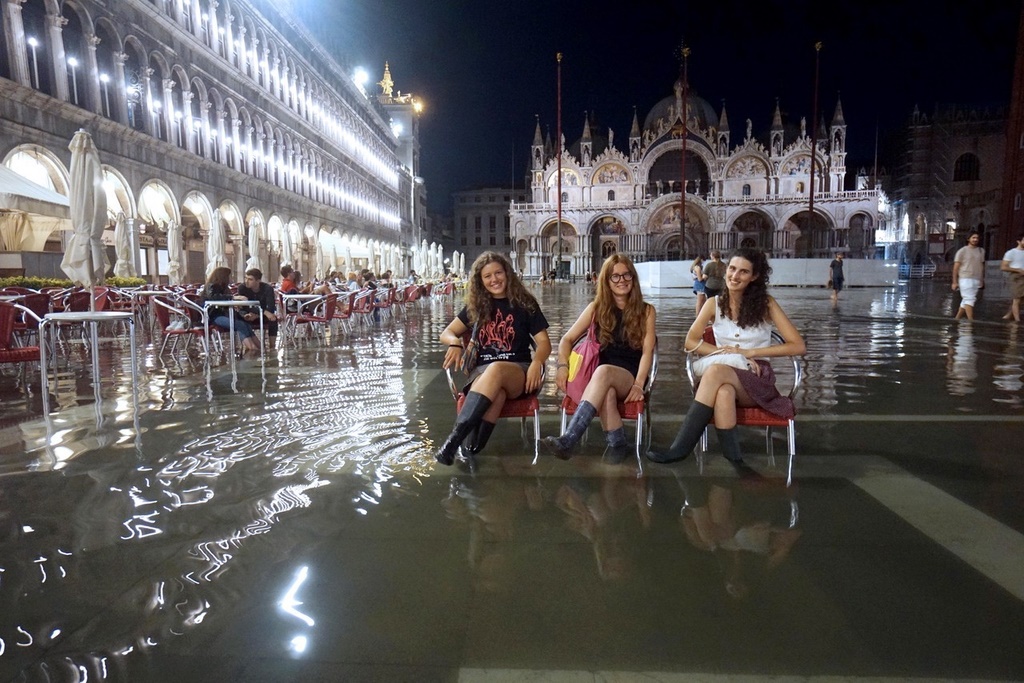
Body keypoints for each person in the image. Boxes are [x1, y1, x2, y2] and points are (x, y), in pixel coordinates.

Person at [647, 248, 805, 470]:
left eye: (743, 271)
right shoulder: (713, 304)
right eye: (732, 268)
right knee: (723, 392)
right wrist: (726, 354)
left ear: (754, 276)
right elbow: (690, 342)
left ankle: (680, 449)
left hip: (757, 377)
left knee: (715, 372)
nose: (734, 276)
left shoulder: (767, 304)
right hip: (725, 373)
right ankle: (736, 462)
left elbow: (798, 346)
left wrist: (750, 353)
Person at [436, 252, 552, 466]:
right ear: (480, 281)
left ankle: (452, 442)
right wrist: (454, 343)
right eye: (487, 276)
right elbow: (447, 332)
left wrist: (537, 362)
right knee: (496, 393)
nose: (494, 279)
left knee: (496, 369)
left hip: (518, 372)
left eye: (498, 273)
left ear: (507, 274)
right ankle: (470, 450)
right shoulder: (476, 307)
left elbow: (544, 342)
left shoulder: (525, 304)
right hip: (482, 374)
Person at [541, 255, 656, 462]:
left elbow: (648, 352)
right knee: (607, 392)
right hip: (599, 379)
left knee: (604, 372)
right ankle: (618, 444)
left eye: (626, 275)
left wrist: (639, 385)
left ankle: (569, 439)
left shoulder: (647, 311)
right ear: (607, 281)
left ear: (633, 277)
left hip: (630, 375)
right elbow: (567, 339)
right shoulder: (596, 308)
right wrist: (562, 366)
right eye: (615, 276)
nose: (622, 280)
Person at [203, 266, 260, 354]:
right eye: (229, 276)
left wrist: (243, 315)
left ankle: (260, 348)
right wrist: (233, 297)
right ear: (223, 276)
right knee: (240, 325)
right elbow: (214, 297)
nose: (231, 278)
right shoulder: (211, 286)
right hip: (213, 316)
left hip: (224, 314)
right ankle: (253, 349)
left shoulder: (224, 288)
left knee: (246, 325)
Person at [236, 268, 278, 347]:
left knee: (273, 319)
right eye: (246, 278)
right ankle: (249, 345)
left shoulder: (267, 288)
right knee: (241, 317)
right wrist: (263, 312)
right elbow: (244, 306)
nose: (246, 281)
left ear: (258, 280)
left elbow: (271, 307)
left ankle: (272, 346)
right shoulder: (242, 288)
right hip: (247, 313)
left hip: (262, 315)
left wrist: (258, 314)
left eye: (250, 279)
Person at [952, 230, 985, 321]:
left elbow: (982, 265)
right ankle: (971, 321)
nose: (975, 239)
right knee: (970, 299)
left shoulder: (981, 251)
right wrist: (954, 282)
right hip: (965, 278)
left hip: (976, 278)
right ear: (968, 239)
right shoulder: (962, 251)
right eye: (973, 238)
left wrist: (982, 279)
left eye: (977, 238)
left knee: (966, 300)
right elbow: (955, 268)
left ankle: (957, 319)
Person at [1000, 232, 1024, 322]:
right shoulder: (1011, 253)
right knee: (1017, 298)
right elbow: (1003, 267)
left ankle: (1008, 315)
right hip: (1016, 277)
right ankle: (1017, 320)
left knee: (1020, 299)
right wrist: (1018, 270)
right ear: (1019, 241)